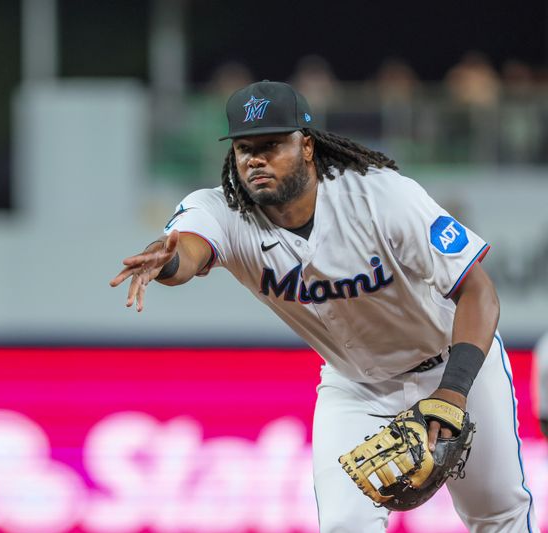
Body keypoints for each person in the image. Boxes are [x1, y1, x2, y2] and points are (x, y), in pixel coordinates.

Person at [110, 80, 537, 532]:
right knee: (343, 526)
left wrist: (453, 391)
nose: (255, 158)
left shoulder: (381, 196)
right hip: (356, 386)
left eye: (272, 144)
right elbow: (190, 249)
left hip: (454, 364)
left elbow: (479, 290)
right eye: (244, 148)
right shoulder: (224, 211)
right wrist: (169, 258)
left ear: (308, 146)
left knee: (498, 513)